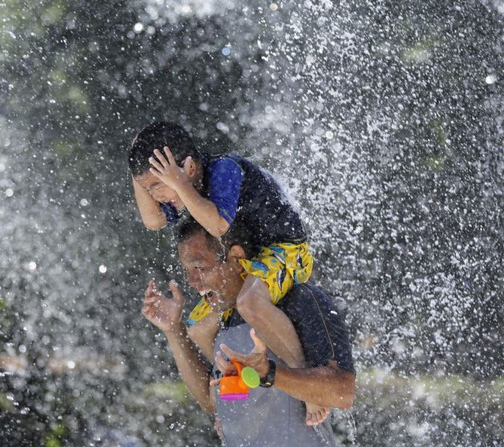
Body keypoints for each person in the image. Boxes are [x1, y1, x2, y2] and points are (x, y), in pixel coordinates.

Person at [128, 122, 324, 419]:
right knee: (199, 328)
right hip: (249, 263)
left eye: (156, 186)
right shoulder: (185, 188)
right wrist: (137, 172)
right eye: (148, 189)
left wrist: (178, 184)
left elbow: (218, 224)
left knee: (249, 302)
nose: (154, 197)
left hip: (287, 250)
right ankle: (226, 396)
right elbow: (154, 221)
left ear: (189, 167)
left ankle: (304, 383)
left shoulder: (225, 169)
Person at [141, 217, 355, 446]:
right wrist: (174, 331)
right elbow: (210, 401)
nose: (192, 281)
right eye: (188, 271)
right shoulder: (222, 321)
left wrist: (269, 373)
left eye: (201, 268)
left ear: (236, 258)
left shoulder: (299, 300)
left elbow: (342, 392)